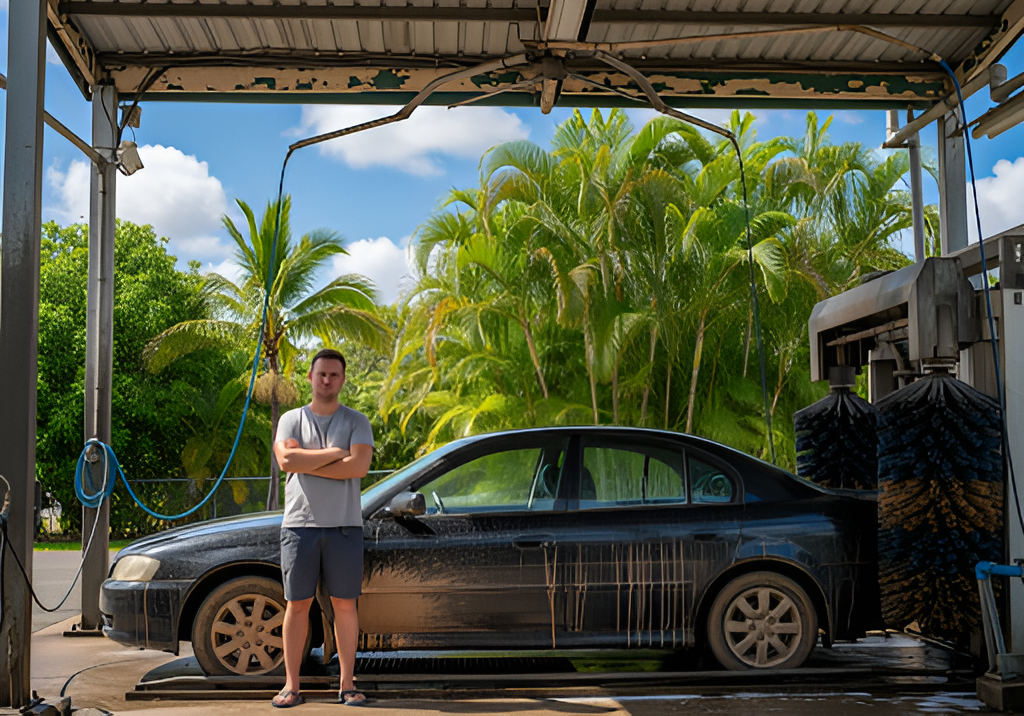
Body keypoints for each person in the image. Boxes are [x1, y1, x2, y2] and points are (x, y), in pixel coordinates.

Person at [271, 348, 373, 708]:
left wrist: (307, 460)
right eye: (321, 374)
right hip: (299, 527)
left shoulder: (358, 421)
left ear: (343, 380)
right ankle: (291, 686)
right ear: (311, 378)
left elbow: (357, 467)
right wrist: (334, 453)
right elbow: (286, 460)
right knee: (296, 605)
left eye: (334, 375)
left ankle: (347, 684)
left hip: (345, 527)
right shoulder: (291, 420)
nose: (327, 380)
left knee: (344, 606)